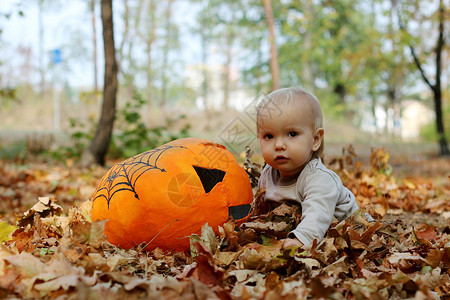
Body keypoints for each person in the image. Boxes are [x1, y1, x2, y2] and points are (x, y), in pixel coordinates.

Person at [257, 87, 360, 249]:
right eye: (269, 136)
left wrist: (302, 240)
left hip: (347, 231)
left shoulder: (318, 179)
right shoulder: (267, 175)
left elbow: (317, 215)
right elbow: (261, 208)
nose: (279, 145)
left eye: (292, 134)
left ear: (315, 140)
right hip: (299, 225)